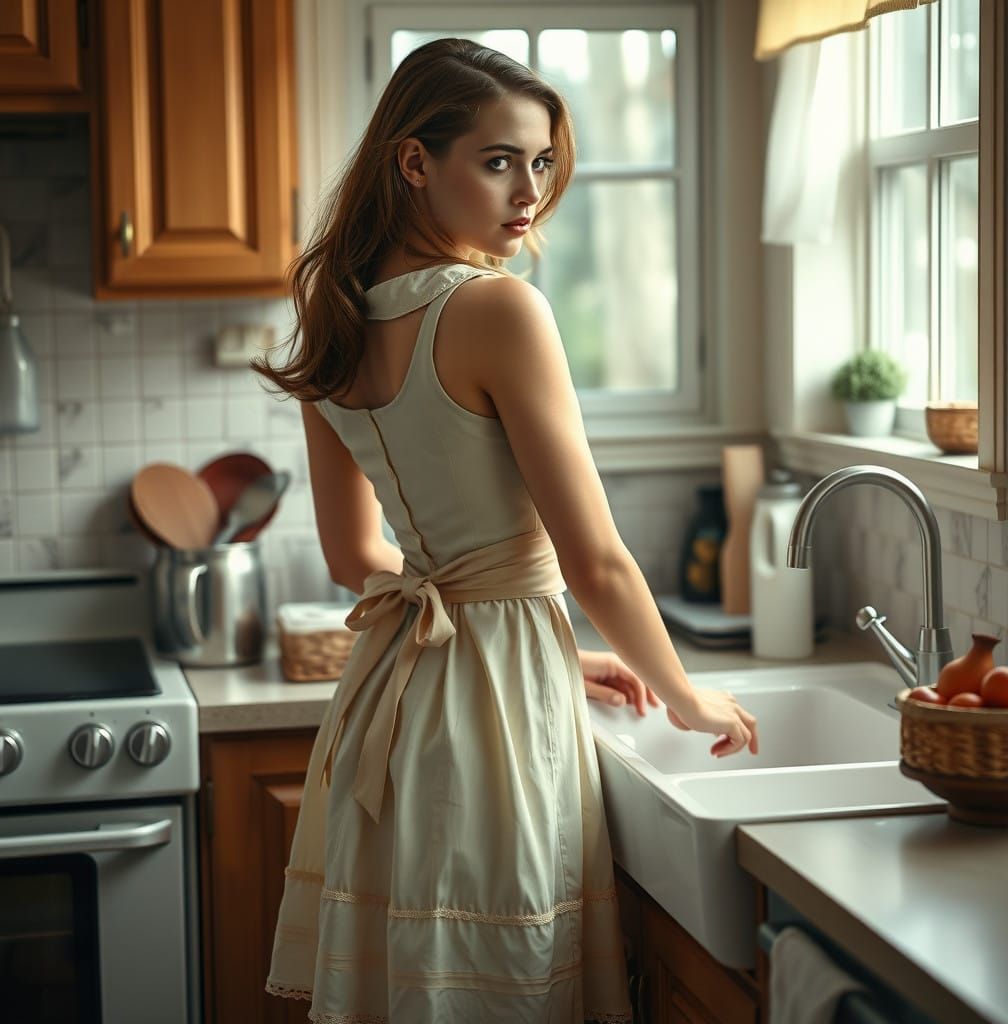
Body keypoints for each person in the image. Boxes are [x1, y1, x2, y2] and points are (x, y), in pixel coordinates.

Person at [255, 37, 759, 1024]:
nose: (527, 191)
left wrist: (553, 653)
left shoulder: (337, 317)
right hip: (490, 729)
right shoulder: (496, 308)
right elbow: (596, 560)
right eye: (497, 160)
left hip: (387, 713)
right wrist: (684, 692)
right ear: (414, 161)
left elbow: (357, 558)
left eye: (539, 162)